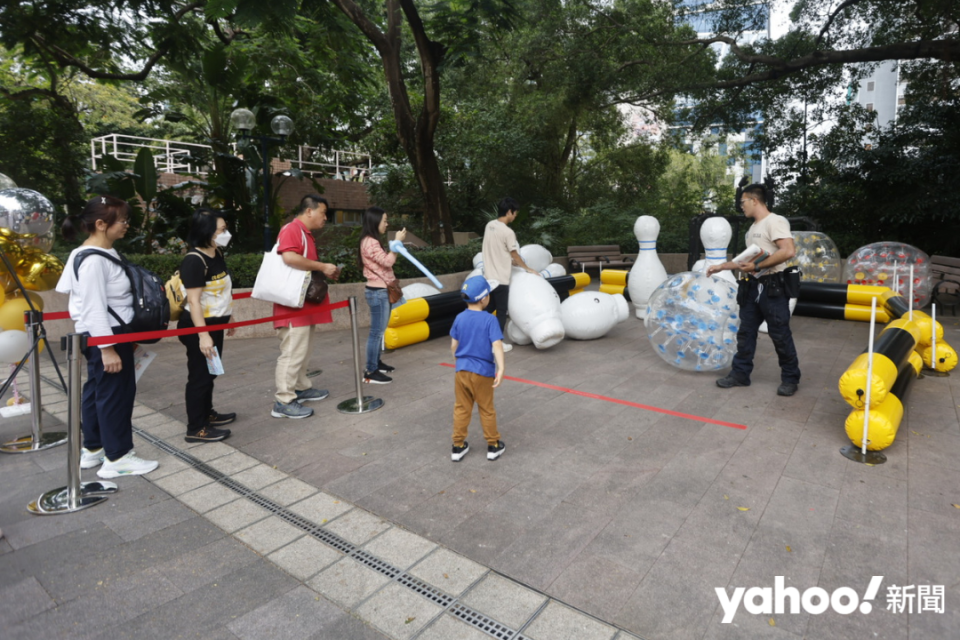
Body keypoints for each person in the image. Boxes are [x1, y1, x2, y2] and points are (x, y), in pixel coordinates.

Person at [55, 195, 159, 478]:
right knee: (116, 395)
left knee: (97, 392)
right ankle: (118, 457)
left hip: (104, 334)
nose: (126, 225)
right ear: (101, 224)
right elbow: (92, 307)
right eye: (123, 221)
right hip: (107, 335)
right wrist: (107, 348)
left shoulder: (88, 254)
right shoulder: (92, 261)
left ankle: (94, 448)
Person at [707, 183, 801, 396]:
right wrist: (721, 266)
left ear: (755, 200)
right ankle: (740, 374)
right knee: (745, 333)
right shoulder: (752, 229)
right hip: (752, 287)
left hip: (773, 288)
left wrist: (758, 266)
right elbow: (746, 261)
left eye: (743, 202)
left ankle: (790, 378)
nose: (741, 206)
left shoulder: (774, 221)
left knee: (780, 335)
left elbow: (788, 251)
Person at [271, 194, 340, 419]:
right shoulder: (292, 229)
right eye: (323, 213)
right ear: (309, 211)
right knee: (292, 352)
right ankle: (283, 400)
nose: (325, 218)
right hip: (293, 306)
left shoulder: (303, 232)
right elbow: (289, 258)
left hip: (302, 305)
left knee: (302, 350)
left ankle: (301, 387)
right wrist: (322, 266)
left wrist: (325, 270)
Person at [177, 208, 236, 442]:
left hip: (216, 325)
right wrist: (203, 336)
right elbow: (194, 300)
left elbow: (221, 292)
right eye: (222, 229)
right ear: (207, 231)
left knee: (210, 373)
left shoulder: (216, 253)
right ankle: (196, 428)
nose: (226, 233)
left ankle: (207, 414)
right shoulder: (194, 260)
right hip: (198, 329)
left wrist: (230, 317)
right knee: (200, 376)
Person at [449, 275, 506, 462]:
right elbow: (497, 345)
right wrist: (501, 368)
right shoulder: (490, 319)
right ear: (484, 298)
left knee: (461, 408)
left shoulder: (459, 317)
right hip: (483, 372)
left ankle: (457, 447)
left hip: (462, 371)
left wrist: (458, 361)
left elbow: (453, 345)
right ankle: (493, 445)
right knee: (486, 408)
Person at [481, 197, 540, 351]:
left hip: (488, 277)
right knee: (501, 311)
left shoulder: (490, 226)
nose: (515, 216)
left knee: (489, 307)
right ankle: (497, 345)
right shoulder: (508, 232)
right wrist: (528, 268)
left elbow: (498, 249)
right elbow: (514, 254)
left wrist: (510, 260)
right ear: (509, 212)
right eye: (515, 213)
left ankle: (479, 336)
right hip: (500, 279)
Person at [359, 206, 407, 384]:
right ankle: (371, 370)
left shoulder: (370, 240)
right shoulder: (370, 242)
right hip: (377, 292)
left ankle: (375, 362)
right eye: (384, 220)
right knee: (376, 333)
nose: (386, 224)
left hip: (379, 291)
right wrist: (396, 244)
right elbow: (387, 262)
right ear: (375, 221)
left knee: (378, 331)